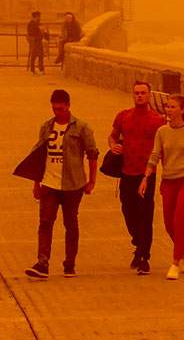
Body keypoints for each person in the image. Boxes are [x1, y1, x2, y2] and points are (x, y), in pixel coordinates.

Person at [13, 89, 98, 278]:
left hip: (73, 184)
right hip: (49, 183)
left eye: (60, 108)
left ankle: (69, 264)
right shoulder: (46, 127)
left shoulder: (82, 128)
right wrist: (36, 183)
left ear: (68, 106)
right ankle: (42, 263)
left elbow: (92, 154)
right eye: (54, 109)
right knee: (45, 222)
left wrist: (91, 181)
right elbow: (39, 155)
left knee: (71, 223)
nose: (57, 112)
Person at [139, 94, 184, 280]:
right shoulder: (162, 131)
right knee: (169, 224)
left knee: (179, 221)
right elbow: (155, 156)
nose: (168, 110)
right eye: (167, 107)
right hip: (168, 181)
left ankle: (175, 263)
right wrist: (146, 177)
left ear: (182, 110)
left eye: (172, 107)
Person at [108, 81, 165, 275]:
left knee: (145, 215)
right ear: (133, 95)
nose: (139, 96)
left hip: (147, 174)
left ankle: (143, 256)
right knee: (128, 212)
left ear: (149, 96)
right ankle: (138, 242)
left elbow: (164, 147)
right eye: (136, 93)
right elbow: (113, 136)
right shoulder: (123, 116)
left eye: (143, 93)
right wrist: (113, 145)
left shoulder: (158, 121)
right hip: (126, 172)